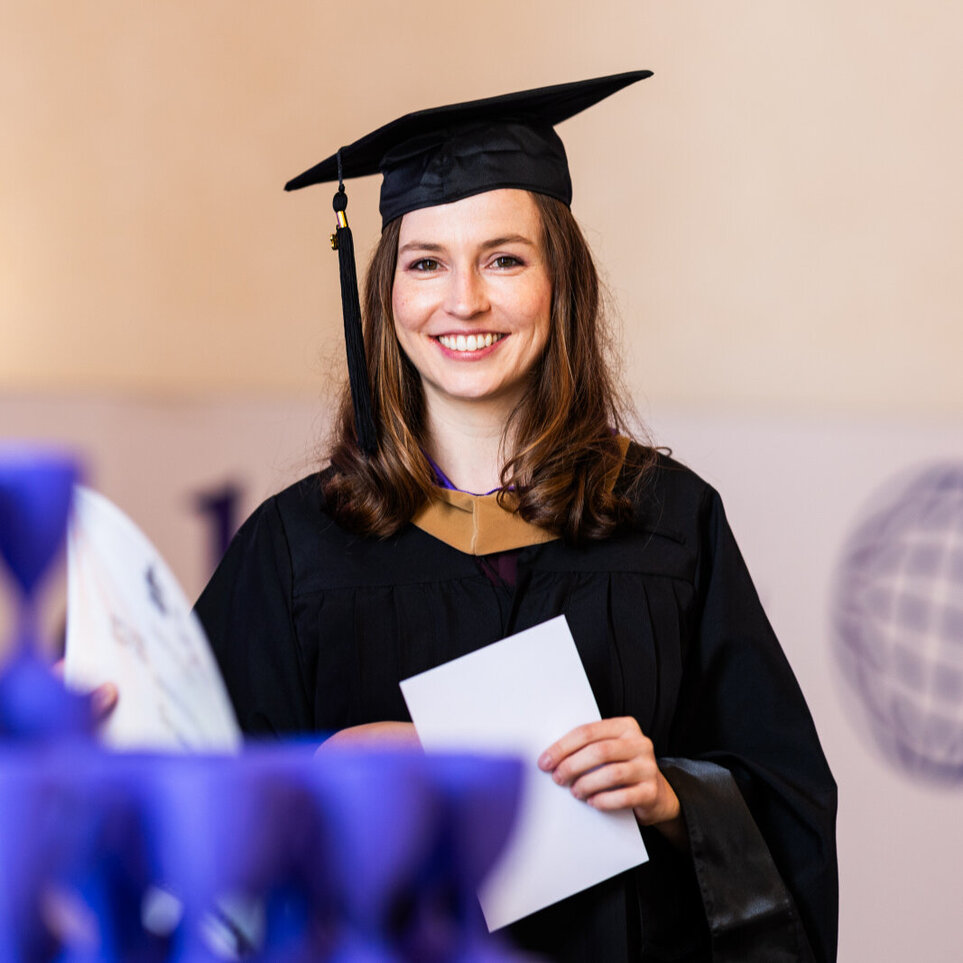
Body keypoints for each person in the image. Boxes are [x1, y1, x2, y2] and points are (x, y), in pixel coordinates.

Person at [195, 71, 838, 962]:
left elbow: (788, 801)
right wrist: (319, 777)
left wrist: (672, 796)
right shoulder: (297, 547)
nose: (463, 300)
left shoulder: (666, 523)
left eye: (504, 258)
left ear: (558, 283)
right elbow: (184, 810)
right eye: (426, 263)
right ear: (385, 295)